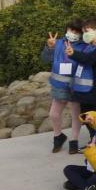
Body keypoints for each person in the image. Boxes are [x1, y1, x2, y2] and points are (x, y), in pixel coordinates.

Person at [40, 20, 83, 154]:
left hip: (76, 86)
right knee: (53, 114)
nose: (73, 34)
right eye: (71, 30)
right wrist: (50, 47)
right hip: (59, 85)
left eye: (77, 32)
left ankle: (74, 141)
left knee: (76, 114)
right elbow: (45, 59)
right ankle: (58, 136)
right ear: (66, 29)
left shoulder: (83, 46)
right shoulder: (57, 43)